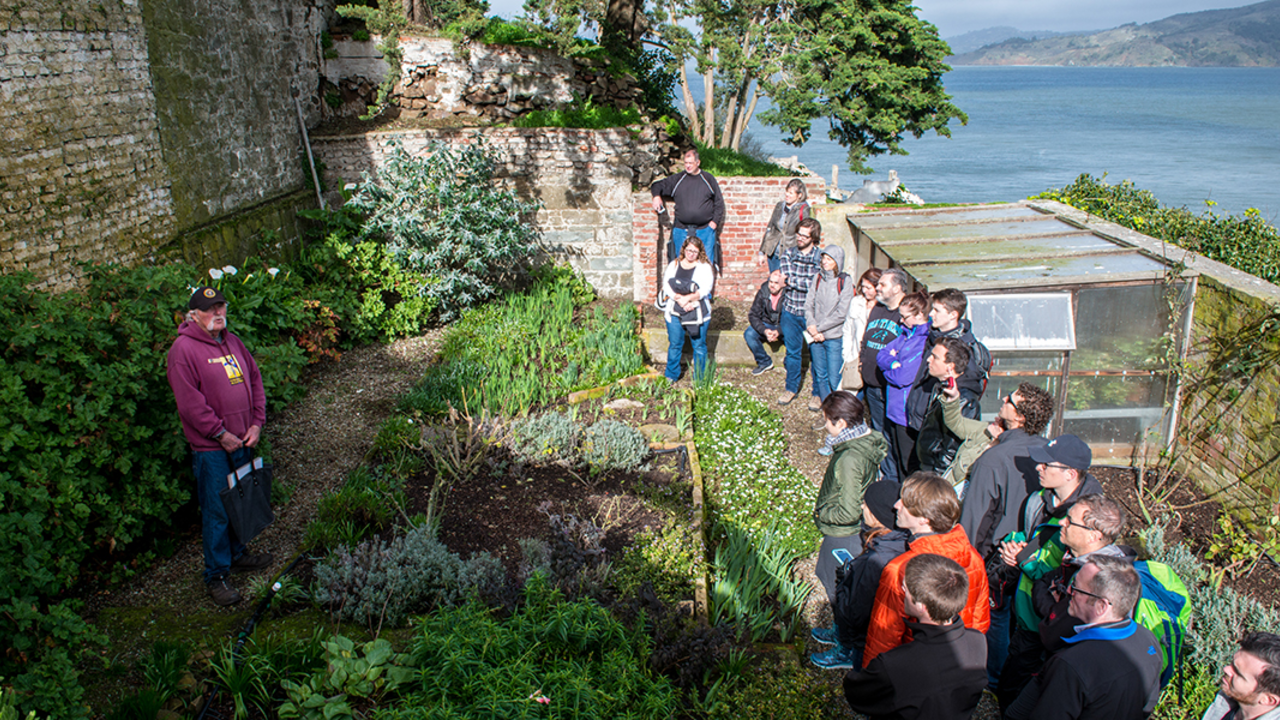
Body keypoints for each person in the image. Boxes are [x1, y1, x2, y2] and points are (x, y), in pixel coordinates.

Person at [167, 286, 274, 606]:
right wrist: (219, 433)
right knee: (217, 511)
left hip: (243, 439)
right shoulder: (183, 350)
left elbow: (254, 379)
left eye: (221, 307)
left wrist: (256, 422)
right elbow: (189, 404)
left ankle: (237, 554)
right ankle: (216, 575)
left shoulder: (232, 342)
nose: (218, 314)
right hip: (212, 448)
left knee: (241, 502)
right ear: (194, 315)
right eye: (210, 309)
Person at [995, 441, 1110, 710]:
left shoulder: (1088, 518)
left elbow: (1071, 572)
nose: (1038, 467)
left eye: (1047, 464)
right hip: (1025, 610)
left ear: (1070, 473)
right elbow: (1030, 536)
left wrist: (1026, 560)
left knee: (1024, 690)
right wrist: (1015, 546)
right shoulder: (1038, 499)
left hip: (1048, 625)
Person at [1005, 555, 1162, 720]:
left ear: (1101, 606)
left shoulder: (1072, 663)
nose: (1068, 591)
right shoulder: (1148, 639)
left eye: (1076, 588)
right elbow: (1148, 704)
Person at [863, 471, 990, 667]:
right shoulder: (973, 557)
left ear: (924, 518)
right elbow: (979, 623)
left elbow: (884, 635)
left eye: (905, 503)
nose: (897, 505)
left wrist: (871, 681)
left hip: (914, 667)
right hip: (957, 664)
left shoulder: (901, 569)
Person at [843, 554, 988, 720]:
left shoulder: (894, 664)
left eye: (905, 588)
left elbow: (857, 696)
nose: (902, 592)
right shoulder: (978, 641)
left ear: (921, 606)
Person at [816, 481, 910, 670]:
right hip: (868, 631)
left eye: (866, 504)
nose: (861, 507)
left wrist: (844, 584)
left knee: (861, 674)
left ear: (878, 515)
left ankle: (846, 651)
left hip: (863, 637)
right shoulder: (895, 542)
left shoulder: (876, 560)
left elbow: (857, 610)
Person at [812, 392, 888, 606]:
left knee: (835, 583)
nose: (825, 425)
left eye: (827, 419)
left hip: (843, 533)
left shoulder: (849, 459)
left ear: (842, 423)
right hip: (854, 531)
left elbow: (848, 511)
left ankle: (841, 637)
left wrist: (823, 512)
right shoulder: (865, 439)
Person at [904, 288, 990, 432]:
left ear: (953, 315)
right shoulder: (933, 337)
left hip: (934, 425)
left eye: (937, 310)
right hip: (916, 417)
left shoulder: (963, 349)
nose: (931, 314)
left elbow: (966, 392)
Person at [860, 267, 908, 480]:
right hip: (872, 383)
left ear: (897, 288)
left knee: (893, 435)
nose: (877, 288)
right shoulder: (878, 308)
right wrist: (863, 360)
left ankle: (893, 478)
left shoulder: (905, 314)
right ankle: (884, 471)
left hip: (891, 387)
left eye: (883, 284)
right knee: (879, 431)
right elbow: (867, 336)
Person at [878, 291, 930, 478]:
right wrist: (892, 364)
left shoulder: (922, 341)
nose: (900, 320)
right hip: (894, 410)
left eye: (904, 316)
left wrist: (890, 369)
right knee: (898, 459)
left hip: (906, 414)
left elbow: (903, 378)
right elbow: (881, 354)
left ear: (919, 315)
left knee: (909, 464)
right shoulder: (905, 334)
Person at [650, 148, 725, 270]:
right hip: (681, 229)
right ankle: (683, 289)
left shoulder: (708, 179)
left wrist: (714, 222)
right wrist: (656, 196)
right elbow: (657, 185)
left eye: (691, 163)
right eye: (686, 163)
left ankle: (703, 290)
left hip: (705, 230)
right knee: (681, 265)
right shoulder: (678, 179)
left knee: (705, 267)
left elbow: (718, 202)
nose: (688, 166)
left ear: (698, 163)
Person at [777, 218, 824, 407]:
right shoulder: (788, 253)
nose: (800, 238)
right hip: (790, 312)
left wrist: (790, 282)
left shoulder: (820, 257)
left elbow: (815, 284)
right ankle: (791, 388)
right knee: (793, 353)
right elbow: (785, 277)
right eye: (799, 234)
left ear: (813, 238)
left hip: (810, 315)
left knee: (816, 354)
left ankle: (818, 393)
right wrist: (793, 281)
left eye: (805, 236)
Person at [914, 338, 977, 477]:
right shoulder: (941, 387)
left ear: (950, 365)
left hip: (937, 474)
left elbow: (952, 447)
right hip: (927, 466)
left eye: (935, 357)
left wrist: (938, 479)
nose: (928, 360)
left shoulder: (964, 400)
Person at [660, 236, 715, 382]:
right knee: (675, 345)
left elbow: (705, 289)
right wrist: (680, 299)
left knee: (699, 346)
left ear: (699, 252)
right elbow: (666, 286)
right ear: (684, 249)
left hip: (697, 310)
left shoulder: (704, 267)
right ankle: (671, 375)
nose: (691, 254)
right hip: (675, 309)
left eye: (695, 252)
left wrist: (689, 299)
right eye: (689, 250)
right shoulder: (674, 264)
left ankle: (700, 378)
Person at [805, 245, 855, 404]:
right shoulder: (817, 278)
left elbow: (841, 313)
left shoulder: (844, 281)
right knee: (820, 375)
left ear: (837, 261)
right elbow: (808, 305)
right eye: (823, 258)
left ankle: (840, 406)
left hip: (833, 337)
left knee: (834, 377)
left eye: (829, 259)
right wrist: (812, 328)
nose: (824, 262)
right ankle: (828, 407)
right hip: (815, 336)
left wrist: (819, 329)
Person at [1202, 632, 1280, 720]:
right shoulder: (1227, 703)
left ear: (1268, 700)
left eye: (1238, 673)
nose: (1226, 669)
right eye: (1232, 663)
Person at [842, 268, 884, 392]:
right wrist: (847, 355)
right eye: (863, 286)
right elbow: (848, 329)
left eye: (868, 288)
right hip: (855, 356)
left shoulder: (885, 308)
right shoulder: (856, 302)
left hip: (874, 360)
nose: (864, 290)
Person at [757, 179, 810, 272]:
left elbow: (807, 233)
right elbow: (770, 228)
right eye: (787, 191)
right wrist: (762, 252)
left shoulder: (803, 210)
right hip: (773, 253)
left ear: (799, 195)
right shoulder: (780, 206)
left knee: (785, 283)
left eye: (791, 193)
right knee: (773, 282)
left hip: (790, 254)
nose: (787, 195)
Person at [745, 270, 786, 375]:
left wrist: (778, 331)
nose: (772, 285)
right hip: (767, 323)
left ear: (783, 283)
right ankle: (764, 362)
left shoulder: (789, 295)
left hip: (784, 325)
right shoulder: (763, 291)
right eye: (770, 282)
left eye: (776, 283)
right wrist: (764, 330)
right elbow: (753, 314)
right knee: (749, 334)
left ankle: (790, 364)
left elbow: (792, 319)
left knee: (795, 335)